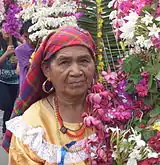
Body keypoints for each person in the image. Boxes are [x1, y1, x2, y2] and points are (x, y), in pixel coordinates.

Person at [2, 26, 96, 165]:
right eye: (64, 62)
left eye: (84, 61)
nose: (76, 71)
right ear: (47, 70)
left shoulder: (110, 112)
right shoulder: (32, 127)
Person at [0, 26, 19, 136]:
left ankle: (5, 133)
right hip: (2, 81)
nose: (7, 31)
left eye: (9, 28)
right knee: (5, 104)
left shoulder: (17, 45)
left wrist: (18, 61)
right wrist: (6, 54)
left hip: (15, 82)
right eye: (4, 28)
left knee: (11, 108)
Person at [15, 20, 35, 92]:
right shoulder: (20, 50)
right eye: (26, 37)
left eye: (31, 36)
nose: (29, 40)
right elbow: (32, 68)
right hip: (27, 88)